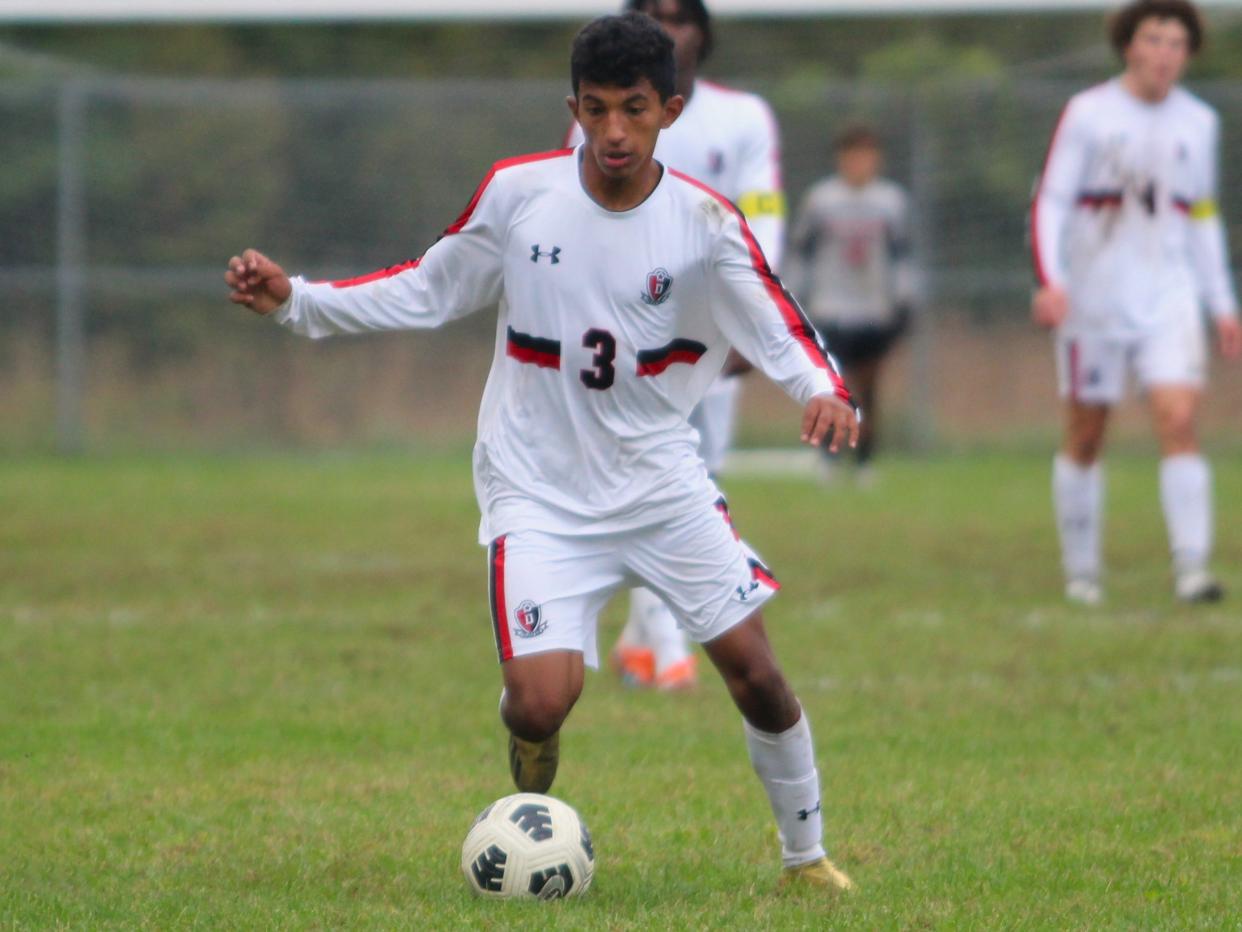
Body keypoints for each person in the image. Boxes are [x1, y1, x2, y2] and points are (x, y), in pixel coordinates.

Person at [226, 13, 857, 892]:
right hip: (537, 493)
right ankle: (531, 804)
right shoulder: (519, 196)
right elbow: (425, 287)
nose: (614, 132)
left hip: (661, 485)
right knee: (539, 701)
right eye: (595, 110)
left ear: (669, 111)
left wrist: (823, 388)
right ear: (572, 107)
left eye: (634, 110)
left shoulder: (707, 224)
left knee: (755, 673)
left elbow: (777, 318)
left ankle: (807, 859)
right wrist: (299, 300)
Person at [566, 0, 788, 690]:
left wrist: (756, 310)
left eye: (682, 16)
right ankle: (666, 653)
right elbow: (570, 213)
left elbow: (764, 213)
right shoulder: (599, 117)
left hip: (707, 331)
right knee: (645, 479)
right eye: (654, 13)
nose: (670, 29)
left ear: (703, 32)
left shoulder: (743, 116)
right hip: (622, 334)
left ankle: (643, 641)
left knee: (695, 480)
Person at [1030, 0, 1240, 605]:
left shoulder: (1199, 122)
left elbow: (1202, 215)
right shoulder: (1089, 114)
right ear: (1129, 45)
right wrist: (1052, 279)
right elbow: (1051, 200)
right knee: (1087, 432)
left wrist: (1222, 302)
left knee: (1178, 419)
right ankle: (1082, 571)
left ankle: (1194, 568)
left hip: (1168, 295)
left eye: (1177, 43)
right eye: (1154, 39)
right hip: (1092, 301)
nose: (1165, 53)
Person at [785, 124, 917, 483]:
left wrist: (903, 301)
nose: (859, 163)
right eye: (852, 155)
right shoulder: (821, 200)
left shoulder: (891, 201)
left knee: (869, 389)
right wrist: (793, 301)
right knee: (829, 388)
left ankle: (864, 461)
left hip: (874, 310)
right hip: (830, 308)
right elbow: (802, 252)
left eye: (866, 155)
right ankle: (827, 458)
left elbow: (902, 255)